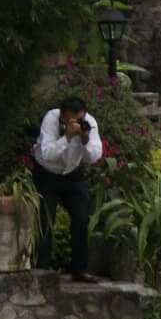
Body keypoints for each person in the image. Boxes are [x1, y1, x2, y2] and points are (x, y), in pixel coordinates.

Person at [31, 94, 103, 282]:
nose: (77, 123)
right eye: (73, 120)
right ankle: (42, 270)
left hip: (72, 173)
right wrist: (67, 137)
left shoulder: (89, 123)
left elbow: (94, 157)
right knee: (45, 219)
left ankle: (80, 269)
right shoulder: (51, 119)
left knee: (81, 217)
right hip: (47, 173)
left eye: (80, 118)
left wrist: (85, 139)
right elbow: (47, 153)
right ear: (63, 115)